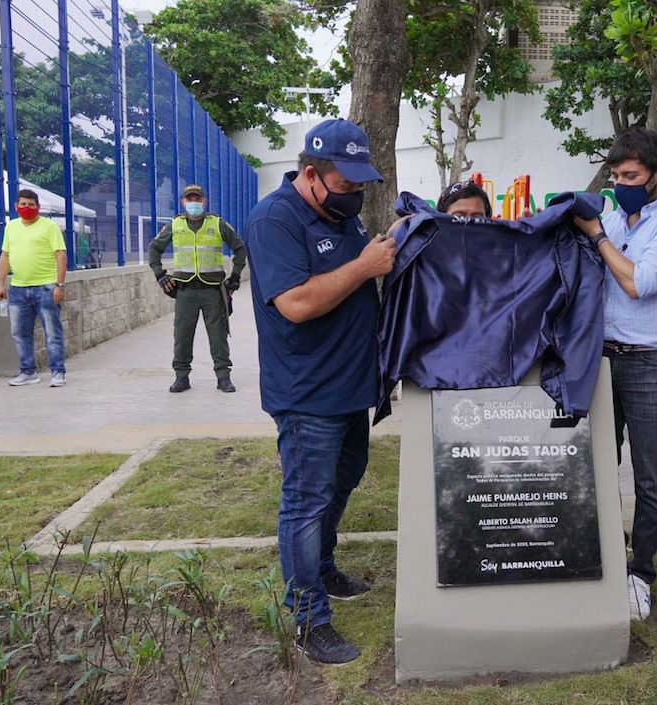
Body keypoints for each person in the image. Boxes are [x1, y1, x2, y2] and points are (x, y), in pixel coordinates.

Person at [241, 118, 396, 664]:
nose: (355, 196)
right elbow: (298, 303)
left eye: (360, 187)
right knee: (306, 502)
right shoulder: (275, 220)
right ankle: (309, 618)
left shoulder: (338, 213)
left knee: (343, 481)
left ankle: (323, 571)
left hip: (350, 386)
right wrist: (364, 266)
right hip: (307, 392)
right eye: (347, 185)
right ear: (311, 174)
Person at [572, 128, 657, 622]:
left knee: (649, 476)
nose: (620, 183)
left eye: (631, 175)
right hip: (602, 356)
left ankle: (640, 574)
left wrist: (599, 237)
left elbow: (639, 283)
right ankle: (606, 555)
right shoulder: (609, 214)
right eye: (615, 174)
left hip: (651, 359)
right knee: (598, 466)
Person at [148, 185, 246, 393]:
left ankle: (223, 377)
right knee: (182, 335)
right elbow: (154, 249)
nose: (193, 203)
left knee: (218, 336)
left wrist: (235, 278)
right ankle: (181, 377)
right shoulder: (175, 225)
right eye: (189, 199)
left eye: (197, 199)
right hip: (185, 292)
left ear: (204, 202)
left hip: (213, 291)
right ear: (183, 202)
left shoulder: (218, 224)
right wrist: (160, 274)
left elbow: (240, 248)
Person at [0, 189, 68, 387]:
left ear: (38, 207)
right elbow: (5, 255)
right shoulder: (11, 227)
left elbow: (60, 255)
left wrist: (59, 285)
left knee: (52, 332)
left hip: (45, 287)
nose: (27, 208)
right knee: (19, 332)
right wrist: (0, 283)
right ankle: (27, 371)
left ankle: (58, 372)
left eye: (31, 205)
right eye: (23, 204)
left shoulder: (50, 227)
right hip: (18, 288)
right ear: (16, 206)